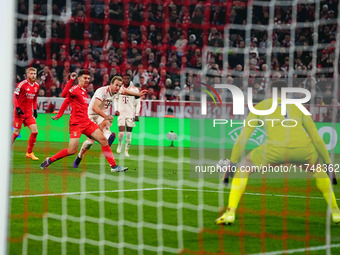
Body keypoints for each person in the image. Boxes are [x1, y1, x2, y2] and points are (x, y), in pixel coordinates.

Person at [215, 80, 340, 225]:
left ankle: (230, 212)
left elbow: (242, 139)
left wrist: (232, 164)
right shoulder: (298, 107)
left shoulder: (260, 107)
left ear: (269, 92)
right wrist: (329, 165)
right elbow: (317, 139)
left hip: (274, 149)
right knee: (318, 169)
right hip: (302, 149)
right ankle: (336, 211)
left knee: (243, 168)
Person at [40, 70, 127, 172]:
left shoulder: (84, 91)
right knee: (72, 150)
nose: (87, 80)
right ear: (79, 78)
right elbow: (64, 96)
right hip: (76, 124)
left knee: (103, 140)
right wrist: (71, 81)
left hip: (87, 122)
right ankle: (49, 160)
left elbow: (67, 101)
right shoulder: (75, 89)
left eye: (89, 78)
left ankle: (113, 166)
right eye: (85, 78)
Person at [70, 76, 147, 168]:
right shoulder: (102, 91)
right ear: (111, 84)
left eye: (119, 86)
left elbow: (125, 92)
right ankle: (80, 156)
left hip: (102, 116)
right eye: (116, 85)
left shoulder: (117, 90)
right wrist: (106, 116)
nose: (118, 88)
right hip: (91, 115)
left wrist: (138, 95)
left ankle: (108, 139)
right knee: (90, 142)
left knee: (106, 126)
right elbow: (95, 108)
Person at [12, 67, 40, 160]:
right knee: (16, 133)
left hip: (29, 113)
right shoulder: (22, 84)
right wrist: (17, 108)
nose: (33, 75)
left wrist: (35, 109)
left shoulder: (36, 85)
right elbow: (14, 96)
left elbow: (35, 98)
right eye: (31, 73)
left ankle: (29, 153)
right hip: (19, 113)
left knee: (35, 131)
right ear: (27, 75)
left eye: (34, 73)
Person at [114, 73, 141, 157]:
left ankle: (126, 151)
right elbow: (115, 100)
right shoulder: (118, 89)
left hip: (130, 114)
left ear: (130, 79)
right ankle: (120, 144)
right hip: (121, 114)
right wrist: (116, 110)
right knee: (121, 133)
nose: (126, 80)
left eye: (127, 78)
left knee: (129, 134)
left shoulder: (135, 90)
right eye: (124, 78)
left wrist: (137, 114)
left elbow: (138, 102)